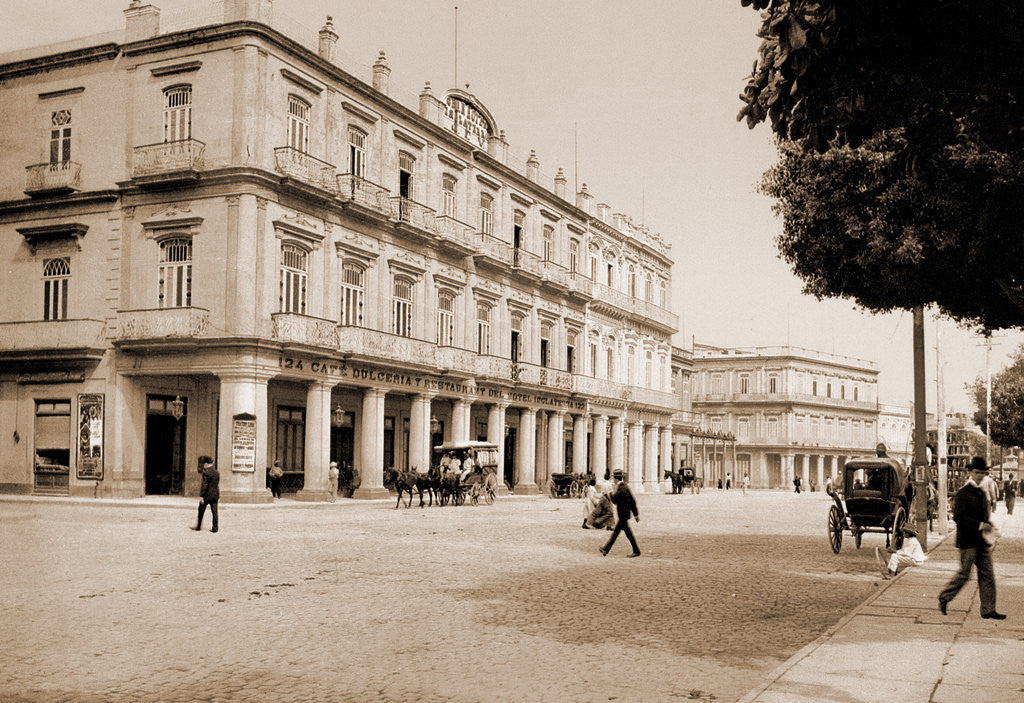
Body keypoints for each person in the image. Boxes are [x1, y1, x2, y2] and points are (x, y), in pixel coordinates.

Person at [938, 457, 1005, 620]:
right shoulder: (963, 493)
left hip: (981, 541)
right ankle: (944, 597)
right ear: (970, 473)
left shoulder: (982, 492)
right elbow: (958, 518)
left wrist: (990, 526)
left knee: (987, 574)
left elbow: (983, 516)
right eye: (977, 472)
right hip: (967, 541)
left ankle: (988, 609)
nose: (980, 475)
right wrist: (981, 525)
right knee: (964, 574)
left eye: (983, 473)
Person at [600, 469, 640, 557]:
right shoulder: (625, 487)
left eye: (614, 478)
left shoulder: (621, 488)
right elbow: (632, 501)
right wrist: (636, 514)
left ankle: (636, 550)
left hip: (623, 515)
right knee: (617, 533)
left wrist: (609, 494)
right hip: (624, 514)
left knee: (625, 534)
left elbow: (614, 500)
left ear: (616, 479)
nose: (613, 480)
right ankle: (605, 549)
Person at [192, 455, 219, 533]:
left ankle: (198, 526)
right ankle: (215, 528)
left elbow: (204, 485)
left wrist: (201, 496)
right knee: (215, 512)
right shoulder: (217, 472)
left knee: (201, 510)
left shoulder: (205, 472)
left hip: (207, 496)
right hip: (215, 495)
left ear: (206, 463)